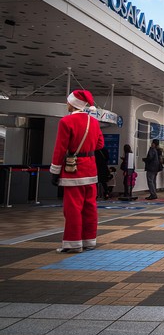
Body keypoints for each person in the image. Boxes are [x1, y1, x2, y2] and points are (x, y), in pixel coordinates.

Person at [50, 89, 104, 253]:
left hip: (74, 170)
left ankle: (73, 243)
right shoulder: (93, 122)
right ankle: (90, 241)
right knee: (90, 206)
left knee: (73, 208)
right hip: (90, 168)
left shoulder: (66, 122)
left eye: (68, 101)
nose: (67, 104)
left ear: (73, 104)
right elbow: (100, 144)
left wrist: (55, 171)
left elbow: (60, 149)